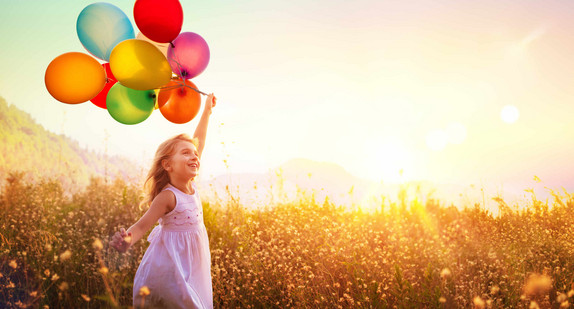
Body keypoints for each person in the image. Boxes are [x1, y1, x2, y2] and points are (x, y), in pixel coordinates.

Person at [110, 93, 217, 309]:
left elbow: (200, 141)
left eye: (195, 154)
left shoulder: (191, 185)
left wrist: (206, 111)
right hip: (169, 265)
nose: (195, 157)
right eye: (186, 153)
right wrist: (126, 241)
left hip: (192, 262)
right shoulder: (168, 196)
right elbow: (142, 225)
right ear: (168, 165)